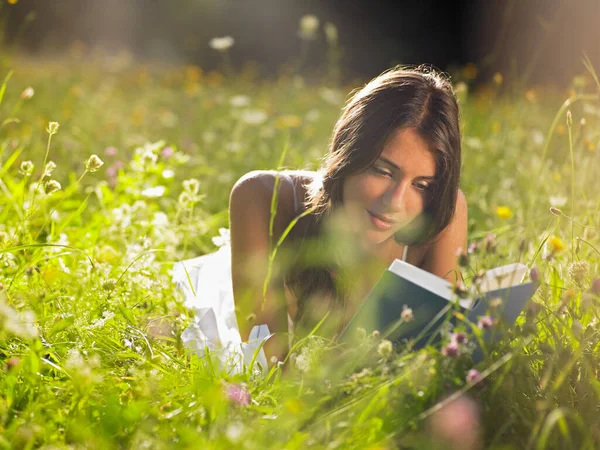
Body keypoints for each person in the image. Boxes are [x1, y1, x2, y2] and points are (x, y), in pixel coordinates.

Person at [173, 66, 468, 372]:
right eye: (382, 170)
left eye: (420, 185)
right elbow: (271, 370)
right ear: (348, 151)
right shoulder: (262, 198)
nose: (395, 202)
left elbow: (438, 359)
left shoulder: (444, 213)